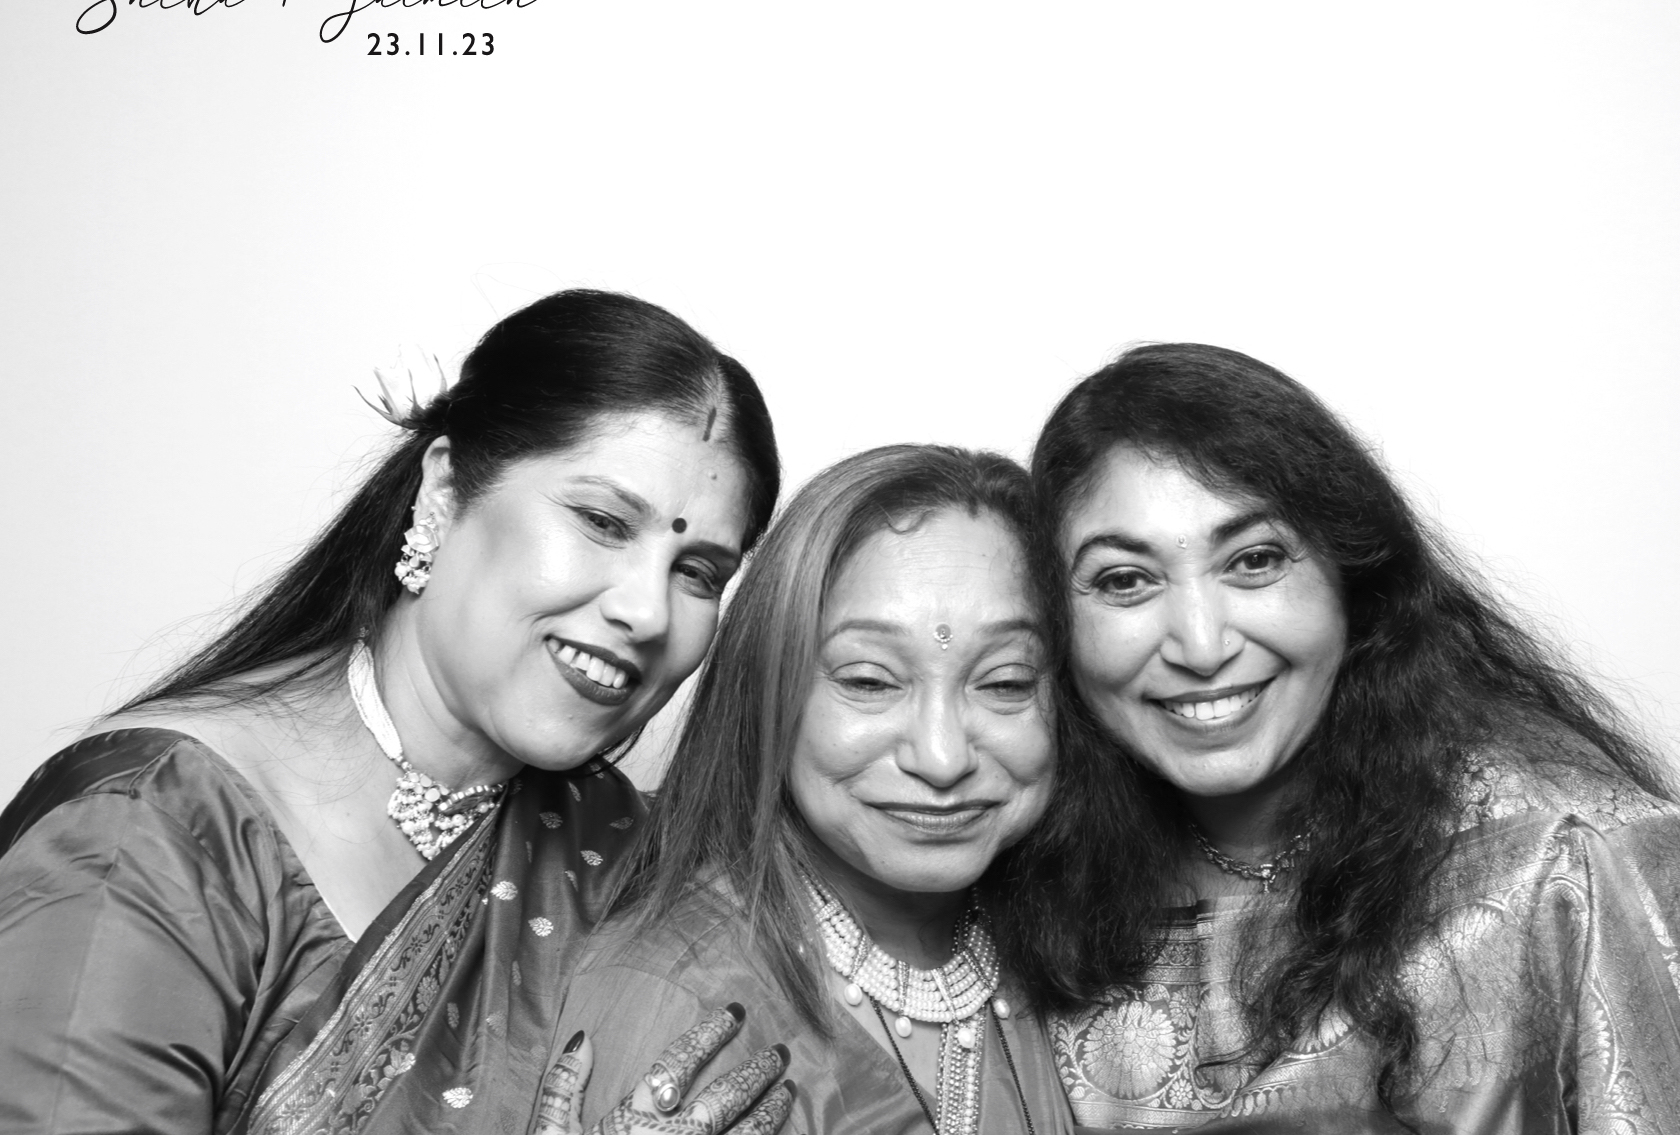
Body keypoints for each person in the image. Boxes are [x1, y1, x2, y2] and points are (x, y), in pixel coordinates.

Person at [0, 290, 790, 1135]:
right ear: (445, 489)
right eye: (602, 521)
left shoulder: (630, 858)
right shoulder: (149, 834)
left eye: (698, 573)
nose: (647, 612)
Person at [1025, 344, 1680, 1132]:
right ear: (1051, 624)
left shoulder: (1576, 860)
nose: (1202, 646)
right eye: (1123, 580)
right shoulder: (1030, 886)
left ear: (1353, 581)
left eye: (1256, 560)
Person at [526, 445, 1082, 1135]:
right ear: (768, 692)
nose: (942, 760)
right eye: (869, 681)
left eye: (1005, 682)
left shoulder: (1085, 959)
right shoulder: (682, 1007)